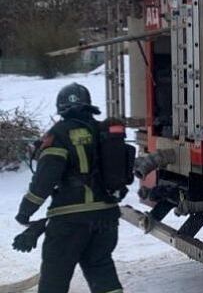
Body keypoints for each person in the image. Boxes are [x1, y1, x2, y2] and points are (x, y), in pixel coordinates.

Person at [15, 83, 124, 293]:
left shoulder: (58, 135)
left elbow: (44, 181)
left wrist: (25, 213)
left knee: (54, 277)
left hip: (69, 221)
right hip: (107, 218)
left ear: (61, 107)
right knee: (101, 269)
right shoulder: (104, 131)